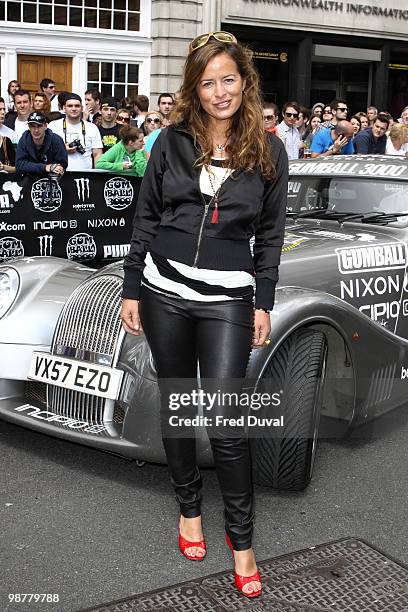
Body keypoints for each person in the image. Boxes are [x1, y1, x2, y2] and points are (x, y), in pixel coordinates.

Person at [120, 30, 287, 599]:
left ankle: (242, 541)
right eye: (208, 82)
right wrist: (132, 287)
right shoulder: (171, 142)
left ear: (245, 82)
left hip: (228, 300)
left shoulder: (269, 149)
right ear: (194, 88)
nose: (220, 91)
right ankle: (189, 508)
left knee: (226, 421)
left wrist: (262, 300)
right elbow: (146, 215)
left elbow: (270, 236)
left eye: (229, 79)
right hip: (163, 288)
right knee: (177, 404)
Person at [48, 93, 103, 169]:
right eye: (70, 106)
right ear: (64, 108)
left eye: (77, 106)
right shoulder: (53, 126)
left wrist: (98, 175)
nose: (74, 109)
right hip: (60, 174)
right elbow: (46, 150)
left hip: (84, 177)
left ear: (82, 108)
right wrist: (62, 149)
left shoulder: (92, 127)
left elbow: (97, 154)